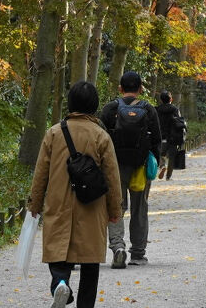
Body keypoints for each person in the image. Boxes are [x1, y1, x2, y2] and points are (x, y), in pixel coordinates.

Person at [29, 80, 122, 308]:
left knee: (58, 257)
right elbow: (112, 177)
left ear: (70, 103)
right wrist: (114, 210)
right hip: (92, 208)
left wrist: (34, 205)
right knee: (90, 267)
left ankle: (61, 284)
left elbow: (41, 174)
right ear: (94, 105)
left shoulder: (53, 134)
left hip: (58, 205)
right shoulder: (102, 136)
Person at [101, 71, 162, 267]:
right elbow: (156, 141)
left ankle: (118, 246)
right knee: (139, 208)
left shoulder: (110, 109)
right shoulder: (149, 110)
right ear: (140, 89)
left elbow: (101, 139)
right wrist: (155, 163)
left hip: (114, 167)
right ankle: (137, 253)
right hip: (141, 167)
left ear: (120, 88)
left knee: (115, 207)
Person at [156, 90, 186, 180]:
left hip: (161, 136)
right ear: (171, 99)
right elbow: (179, 123)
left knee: (159, 154)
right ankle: (168, 176)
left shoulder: (157, 109)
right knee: (172, 157)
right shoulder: (175, 110)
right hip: (173, 136)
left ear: (161, 100)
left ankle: (162, 166)